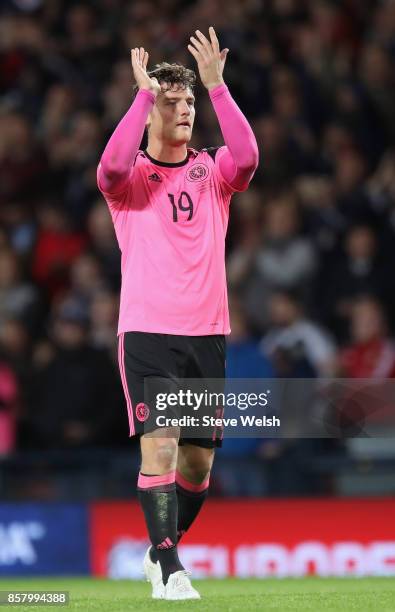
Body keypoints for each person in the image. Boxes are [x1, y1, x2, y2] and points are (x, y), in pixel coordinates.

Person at [97, 27, 258, 600]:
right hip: (147, 332)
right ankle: (168, 567)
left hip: (208, 334)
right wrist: (142, 95)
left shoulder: (213, 172)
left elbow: (249, 158)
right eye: (172, 103)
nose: (183, 109)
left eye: (187, 102)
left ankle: (158, 547)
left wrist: (216, 88)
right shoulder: (133, 181)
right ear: (149, 114)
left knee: (195, 470)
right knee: (159, 444)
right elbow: (107, 171)